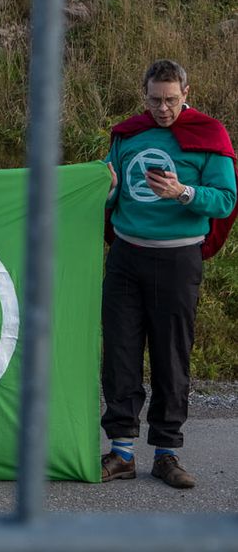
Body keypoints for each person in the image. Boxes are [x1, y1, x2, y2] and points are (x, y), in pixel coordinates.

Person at [101, 59, 237, 489]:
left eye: (172, 100)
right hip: (125, 258)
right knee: (120, 354)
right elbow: (108, 190)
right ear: (145, 95)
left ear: (186, 92)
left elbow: (225, 200)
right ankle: (121, 453)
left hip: (177, 261)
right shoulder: (128, 135)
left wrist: (183, 192)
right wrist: (101, 190)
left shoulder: (208, 136)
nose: (163, 109)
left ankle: (166, 453)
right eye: (156, 100)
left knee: (170, 357)